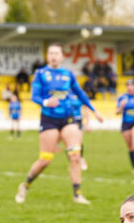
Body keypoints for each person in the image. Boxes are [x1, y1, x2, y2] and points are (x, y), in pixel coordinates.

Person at [15, 43, 104, 205]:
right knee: (46, 160)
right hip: (49, 120)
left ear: (62, 56)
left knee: (75, 156)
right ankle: (26, 184)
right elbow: (34, 96)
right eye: (50, 53)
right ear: (47, 56)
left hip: (68, 118)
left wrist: (94, 111)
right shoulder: (40, 73)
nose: (53, 56)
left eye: (57, 53)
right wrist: (47, 102)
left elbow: (80, 94)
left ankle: (77, 194)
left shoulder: (68, 74)